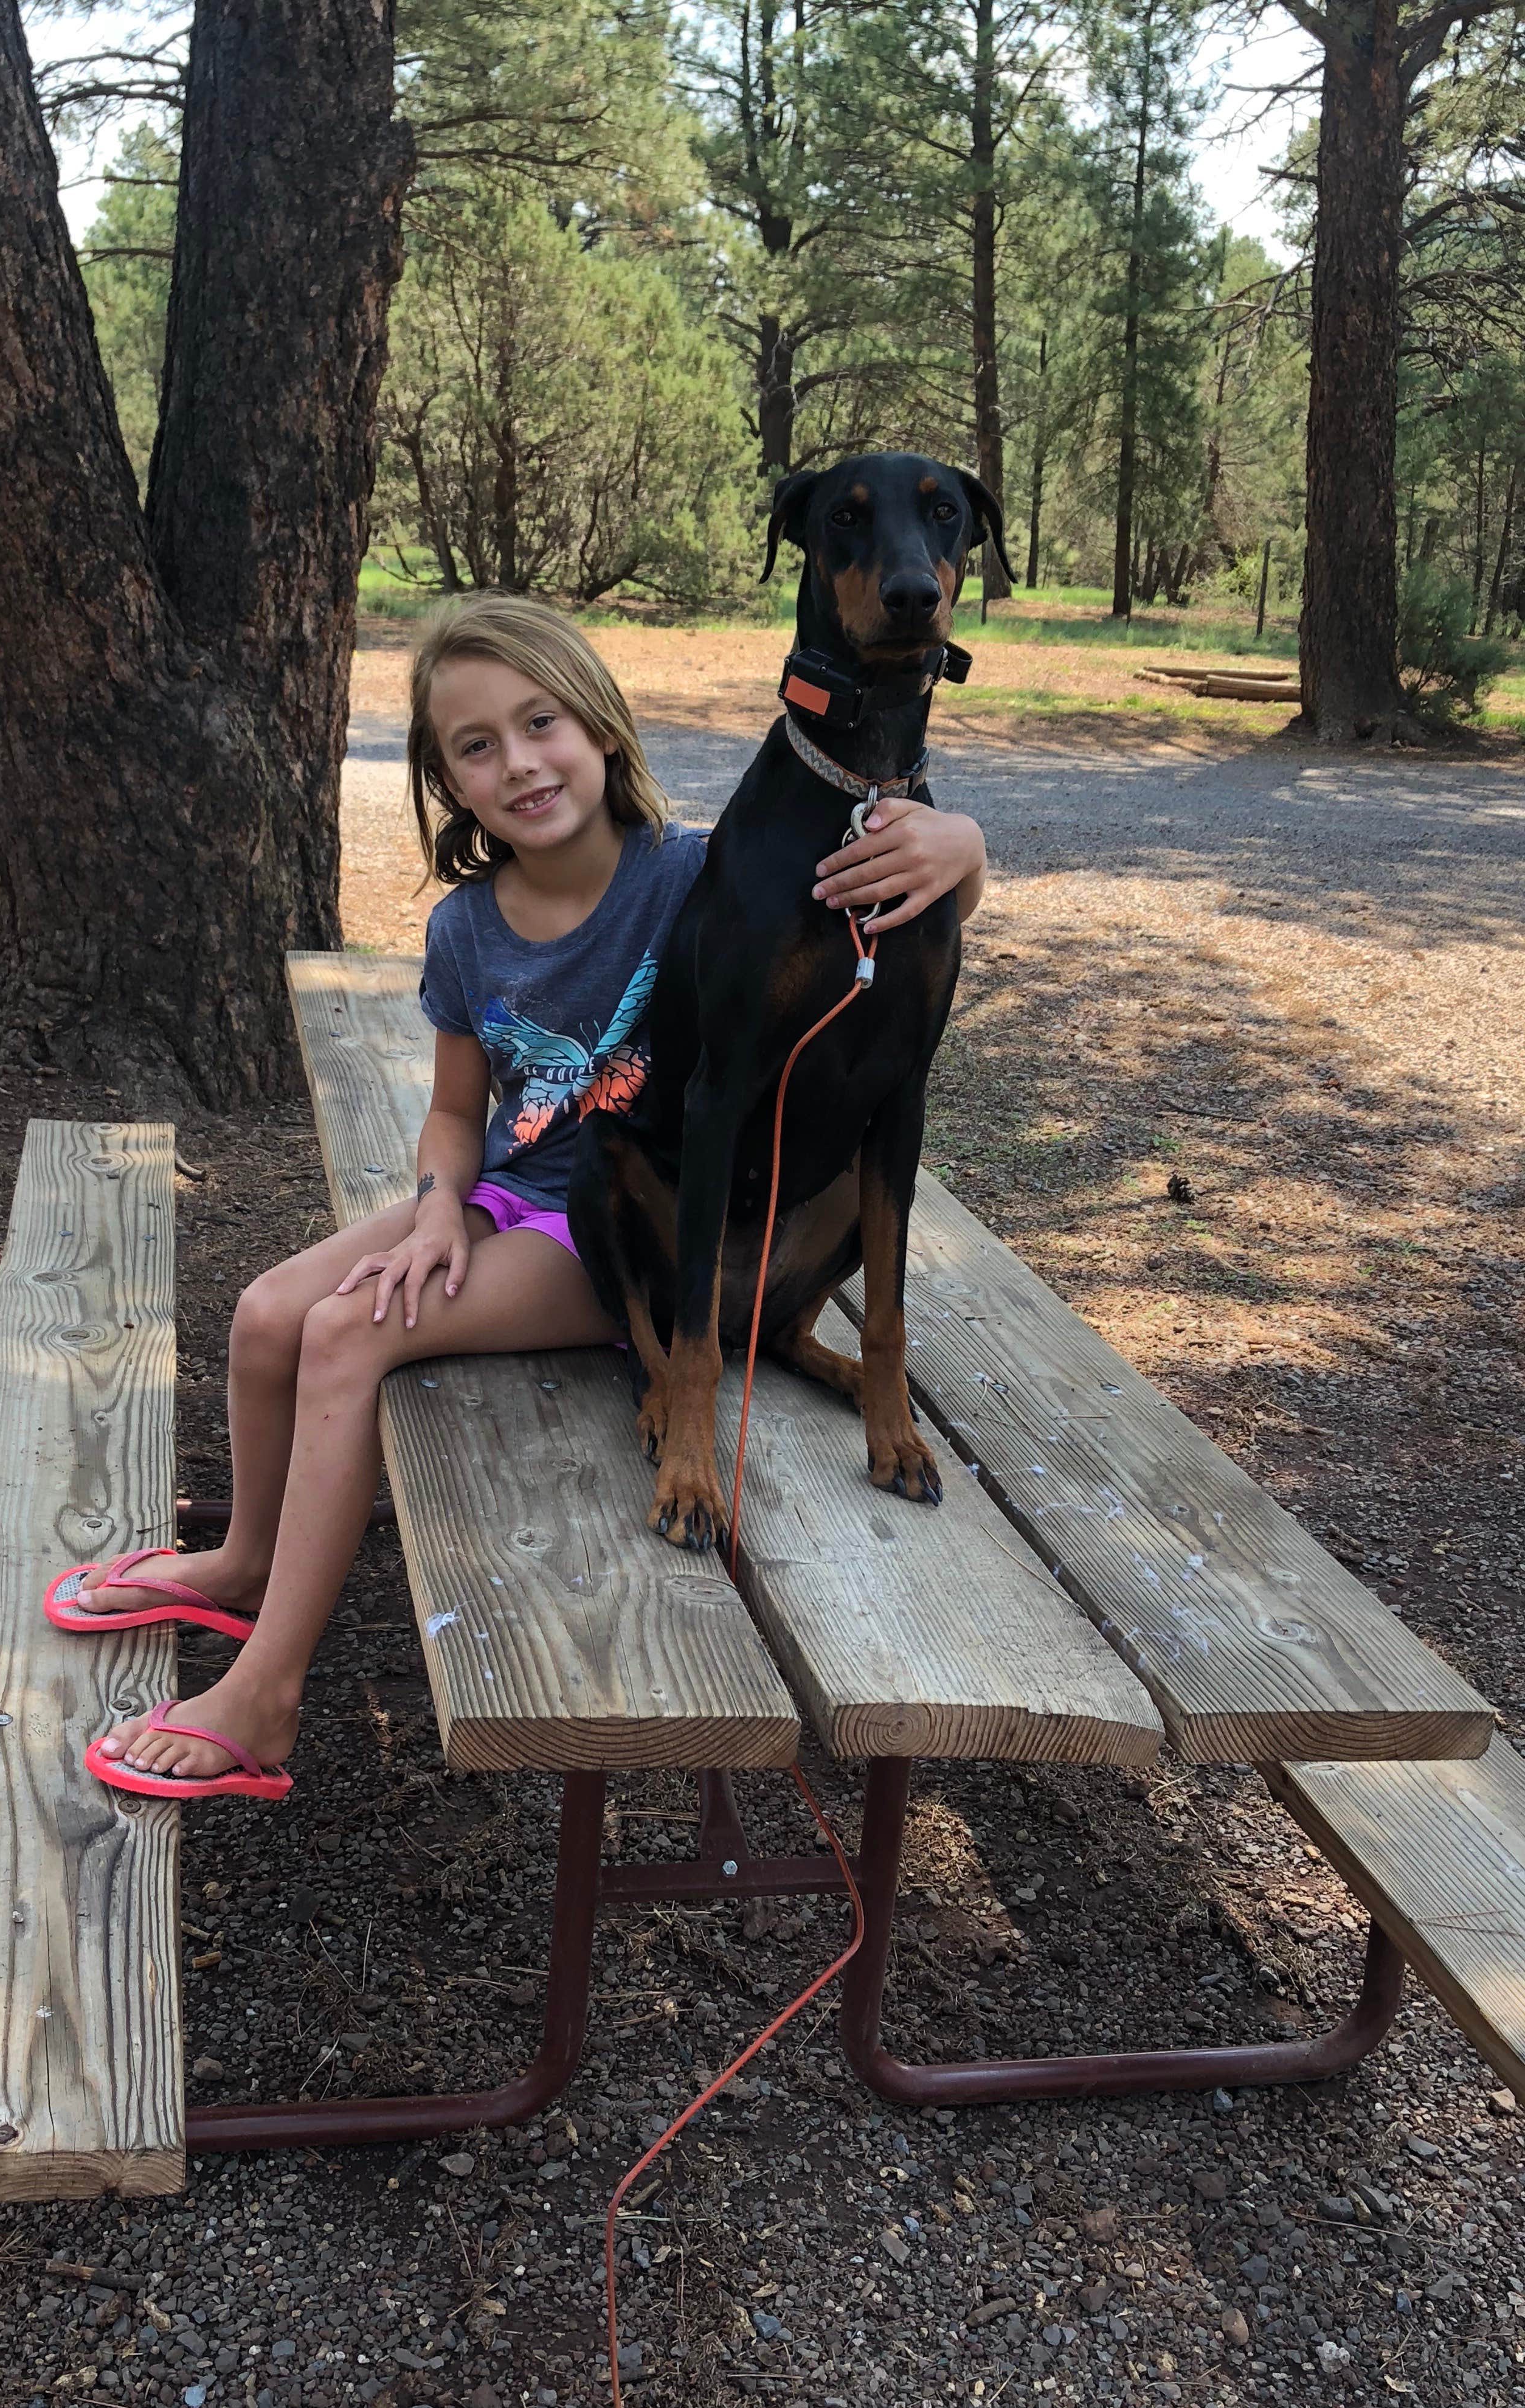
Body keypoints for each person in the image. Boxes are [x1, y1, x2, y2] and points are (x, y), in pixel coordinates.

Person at [52, 591, 988, 1798]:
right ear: (446, 781)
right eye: (474, 747)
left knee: (344, 1338)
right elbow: (455, 1115)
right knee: (266, 1316)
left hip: (620, 1233)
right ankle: (242, 1563)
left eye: (539, 722)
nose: (518, 764)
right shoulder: (466, 934)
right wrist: (441, 1203)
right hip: (510, 1196)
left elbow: (900, 909)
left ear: (599, 726)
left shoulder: (699, 879)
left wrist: (965, 852)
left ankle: (267, 1699)